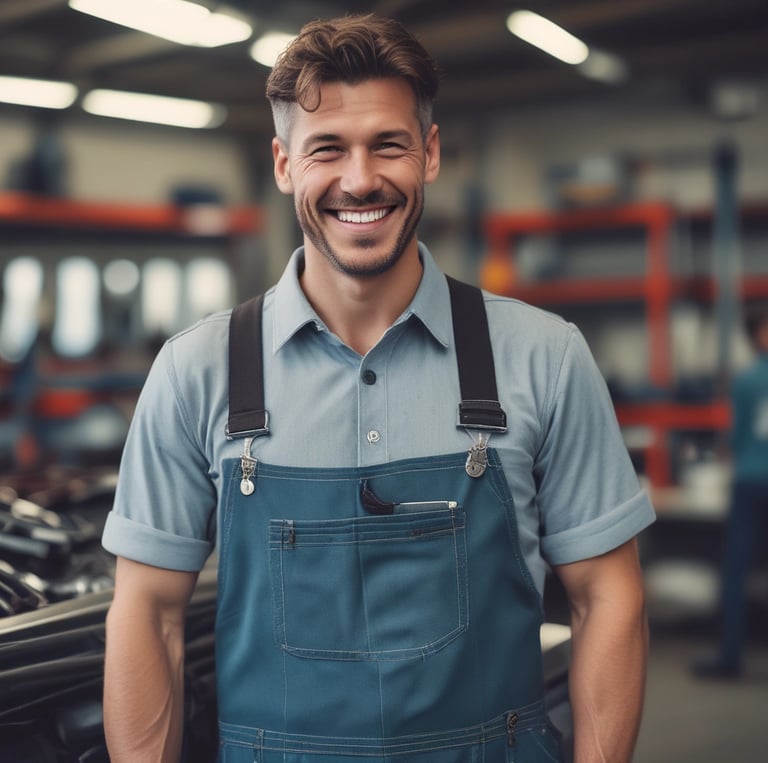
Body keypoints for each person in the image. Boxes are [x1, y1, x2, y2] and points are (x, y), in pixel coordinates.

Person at [102, 14, 655, 763]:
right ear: (283, 163)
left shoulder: (543, 356)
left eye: (387, 144)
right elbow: (148, 615)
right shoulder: (196, 371)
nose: (360, 180)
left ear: (428, 153)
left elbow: (607, 598)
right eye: (327, 148)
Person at [692, 303, 768, 679]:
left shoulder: (748, 380)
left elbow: (735, 439)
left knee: (735, 570)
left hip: (751, 481)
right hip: (753, 481)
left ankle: (730, 657)